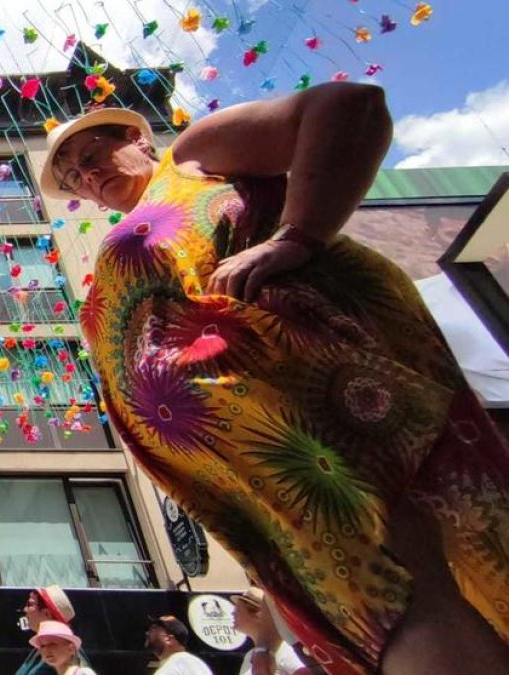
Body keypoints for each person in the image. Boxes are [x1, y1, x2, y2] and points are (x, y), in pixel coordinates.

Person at [39, 81, 509, 675]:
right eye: (73, 177)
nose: (84, 177)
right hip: (252, 459)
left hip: (310, 401)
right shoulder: (141, 216)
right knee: (363, 599)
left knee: (397, 572)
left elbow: (349, 106)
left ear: (135, 138)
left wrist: (297, 236)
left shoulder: (188, 157)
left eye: (90, 156)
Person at [232, 587, 310, 675]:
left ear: (259, 613)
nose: (233, 613)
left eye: (238, 609)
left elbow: (304, 672)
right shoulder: (250, 655)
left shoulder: (286, 649)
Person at [16, 586, 90, 675]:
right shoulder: (40, 649)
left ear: (46, 613)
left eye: (30, 605)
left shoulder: (67, 653)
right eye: (43, 646)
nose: (25, 609)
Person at [145, 615, 212, 675]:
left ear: (168, 639)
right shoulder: (195, 663)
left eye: (154, 628)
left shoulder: (176, 665)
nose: (147, 633)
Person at [31, 621, 96, 675]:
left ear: (71, 649)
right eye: (42, 646)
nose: (46, 649)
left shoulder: (83, 673)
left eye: (52, 644)